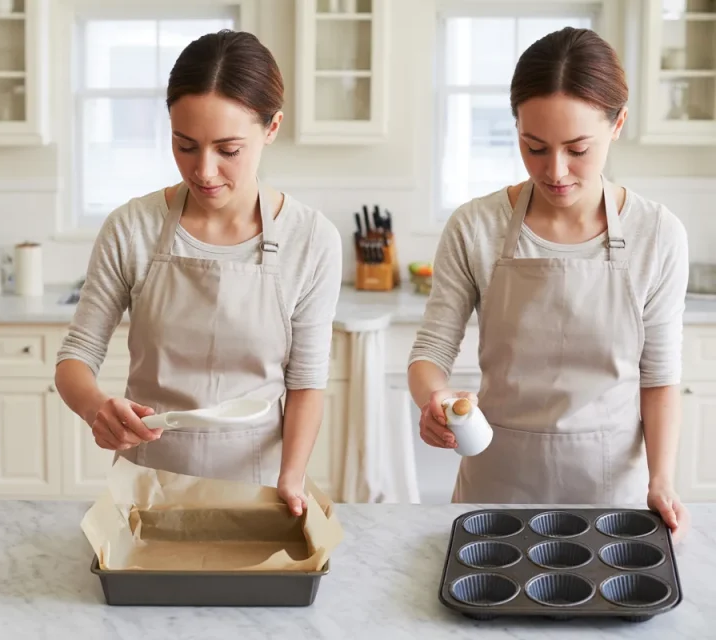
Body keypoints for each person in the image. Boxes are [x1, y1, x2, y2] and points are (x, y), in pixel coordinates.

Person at [408, 27, 691, 541]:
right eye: (534, 147)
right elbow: (430, 350)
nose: (555, 170)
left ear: (618, 124)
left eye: (577, 149)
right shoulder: (475, 227)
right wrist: (435, 397)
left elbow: (660, 378)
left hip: (612, 497)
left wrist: (662, 478)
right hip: (495, 490)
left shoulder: (658, 233)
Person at [55, 30, 342, 516]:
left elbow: (307, 383)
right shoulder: (132, 227)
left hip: (259, 486)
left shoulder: (311, 239)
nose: (204, 171)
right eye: (185, 145)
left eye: (228, 150)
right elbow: (74, 360)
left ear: (271, 128)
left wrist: (290, 478)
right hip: (148, 486)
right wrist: (95, 407)